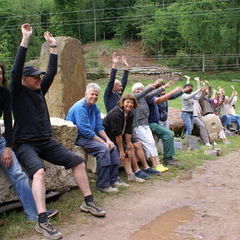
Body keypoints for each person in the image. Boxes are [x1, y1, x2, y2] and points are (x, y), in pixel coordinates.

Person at [11, 23, 105, 240]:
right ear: (24, 80)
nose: (39, 79)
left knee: (77, 161)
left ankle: (88, 202)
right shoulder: (17, 92)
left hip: (45, 141)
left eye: (39, 77)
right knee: (39, 172)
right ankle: (42, 220)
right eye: (35, 77)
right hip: (25, 143)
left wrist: (53, 47)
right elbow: (16, 69)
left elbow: (52, 72)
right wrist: (25, 38)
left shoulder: (38, 90)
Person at [66, 83, 129, 193]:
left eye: (96, 95)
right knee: (103, 149)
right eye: (92, 94)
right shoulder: (80, 107)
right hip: (79, 137)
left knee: (112, 147)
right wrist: (103, 142)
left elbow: (99, 126)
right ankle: (103, 185)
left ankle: (113, 179)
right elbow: (85, 131)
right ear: (86, 94)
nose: (94, 97)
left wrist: (108, 140)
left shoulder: (94, 106)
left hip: (90, 136)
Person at [0, 63, 37, 221]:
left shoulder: (4, 93)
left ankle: (34, 215)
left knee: (19, 175)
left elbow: (8, 122)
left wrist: (8, 147)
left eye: (0, 73)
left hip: (1, 141)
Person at [103, 94, 158, 182]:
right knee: (125, 151)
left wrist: (128, 143)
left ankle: (133, 174)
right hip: (108, 137)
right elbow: (117, 134)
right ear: (122, 102)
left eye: (132, 102)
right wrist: (121, 150)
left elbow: (128, 131)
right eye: (127, 102)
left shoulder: (130, 113)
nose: (130, 104)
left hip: (119, 135)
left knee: (129, 147)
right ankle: (131, 174)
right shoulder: (116, 113)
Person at [132, 81, 169, 172]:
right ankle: (154, 164)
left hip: (145, 125)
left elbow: (153, 93)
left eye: (141, 89)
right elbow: (145, 92)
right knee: (148, 144)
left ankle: (158, 163)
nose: (140, 91)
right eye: (138, 89)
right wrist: (152, 85)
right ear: (134, 91)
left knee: (152, 143)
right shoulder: (134, 98)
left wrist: (163, 87)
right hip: (137, 126)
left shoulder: (144, 99)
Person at [146, 85, 181, 166]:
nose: (162, 91)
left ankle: (164, 157)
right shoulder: (149, 98)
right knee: (168, 134)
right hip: (151, 123)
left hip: (157, 122)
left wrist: (181, 91)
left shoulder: (153, 96)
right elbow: (160, 100)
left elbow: (171, 97)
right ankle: (167, 159)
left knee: (159, 138)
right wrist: (173, 90)